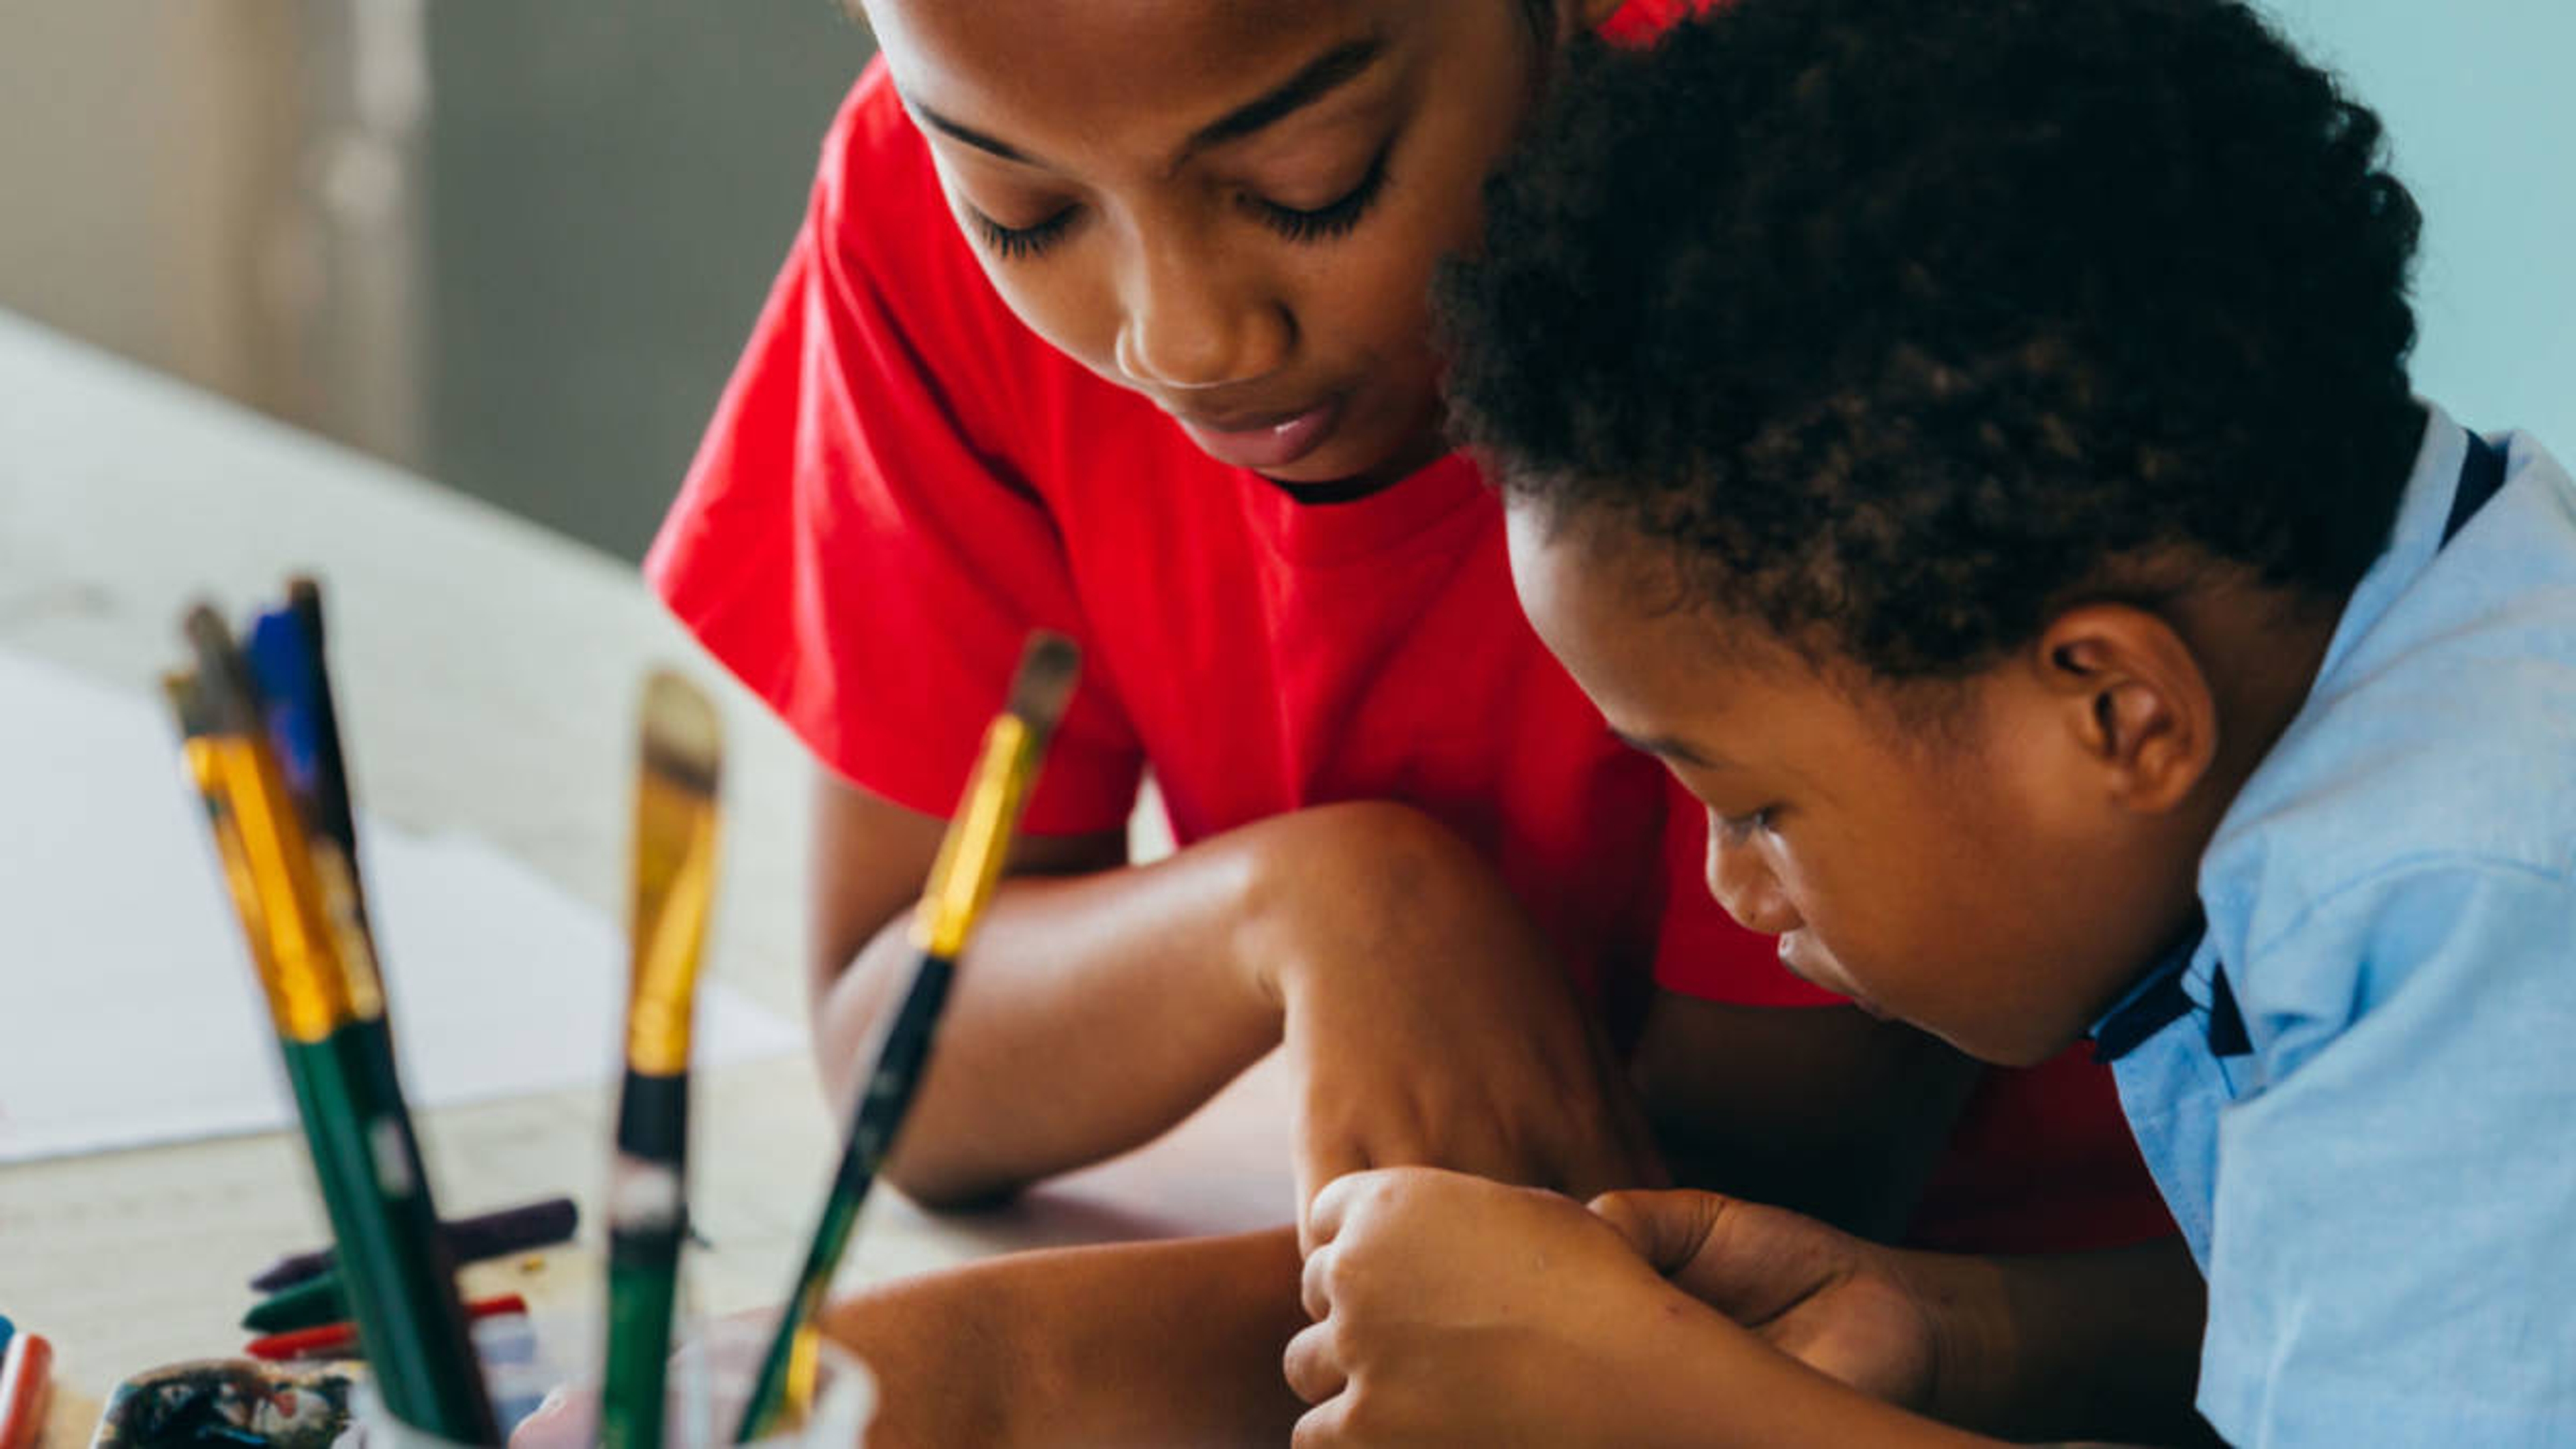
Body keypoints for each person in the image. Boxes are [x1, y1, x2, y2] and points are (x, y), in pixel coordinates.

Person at [647, 0, 2191, 1439]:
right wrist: (1318, 902)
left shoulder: (1804, 181)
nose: (1187, 340)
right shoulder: (952, 169)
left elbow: (1666, 1266)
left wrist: (959, 1384)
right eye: (1023, 214)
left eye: (1310, 181)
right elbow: (898, 1050)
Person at [1289, 0, 2576, 1442]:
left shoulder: (2462, 901)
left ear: (2116, 714)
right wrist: (1959, 1340)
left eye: (1757, 805)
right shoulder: (2454, 610)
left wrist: (1677, 1411)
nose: (1730, 882)